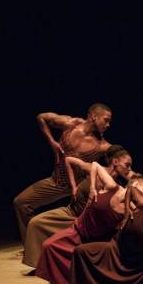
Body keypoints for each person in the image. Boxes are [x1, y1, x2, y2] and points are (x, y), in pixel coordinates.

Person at [13, 104, 113, 245]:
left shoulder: (102, 145)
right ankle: (31, 245)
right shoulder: (71, 124)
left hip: (79, 189)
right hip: (57, 182)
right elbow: (41, 117)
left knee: (85, 219)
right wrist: (52, 141)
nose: (108, 125)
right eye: (106, 120)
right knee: (21, 203)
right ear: (94, 117)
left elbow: (118, 161)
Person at [35, 168, 143, 284]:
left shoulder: (133, 209)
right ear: (136, 184)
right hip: (78, 231)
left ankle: (74, 281)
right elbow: (95, 165)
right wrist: (92, 188)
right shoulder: (112, 186)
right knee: (48, 246)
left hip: (96, 240)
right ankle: (63, 280)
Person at [22, 146, 135, 268]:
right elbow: (68, 160)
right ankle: (39, 263)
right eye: (127, 165)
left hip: (86, 221)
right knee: (35, 223)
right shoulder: (94, 169)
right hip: (70, 211)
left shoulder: (116, 185)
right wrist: (73, 186)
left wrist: (132, 178)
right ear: (115, 162)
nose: (129, 169)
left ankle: (61, 264)